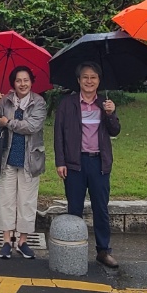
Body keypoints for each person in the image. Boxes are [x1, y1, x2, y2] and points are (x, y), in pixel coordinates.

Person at [52, 61, 122, 267]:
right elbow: (58, 135)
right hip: (75, 163)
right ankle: (73, 249)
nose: (89, 81)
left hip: (99, 162)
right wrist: (60, 161)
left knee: (101, 208)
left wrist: (110, 114)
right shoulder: (68, 104)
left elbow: (115, 130)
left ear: (99, 81)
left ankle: (103, 250)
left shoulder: (104, 104)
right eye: (85, 77)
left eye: (93, 77)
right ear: (78, 80)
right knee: (74, 208)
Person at [0, 65, 47, 260]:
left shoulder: (39, 102)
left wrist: (8, 122)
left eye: (26, 80)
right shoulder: (5, 100)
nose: (22, 84)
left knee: (27, 202)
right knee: (6, 200)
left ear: (31, 82)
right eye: (18, 80)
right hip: (7, 158)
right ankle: (6, 241)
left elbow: (31, 126)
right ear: (13, 83)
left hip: (30, 160)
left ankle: (22, 241)